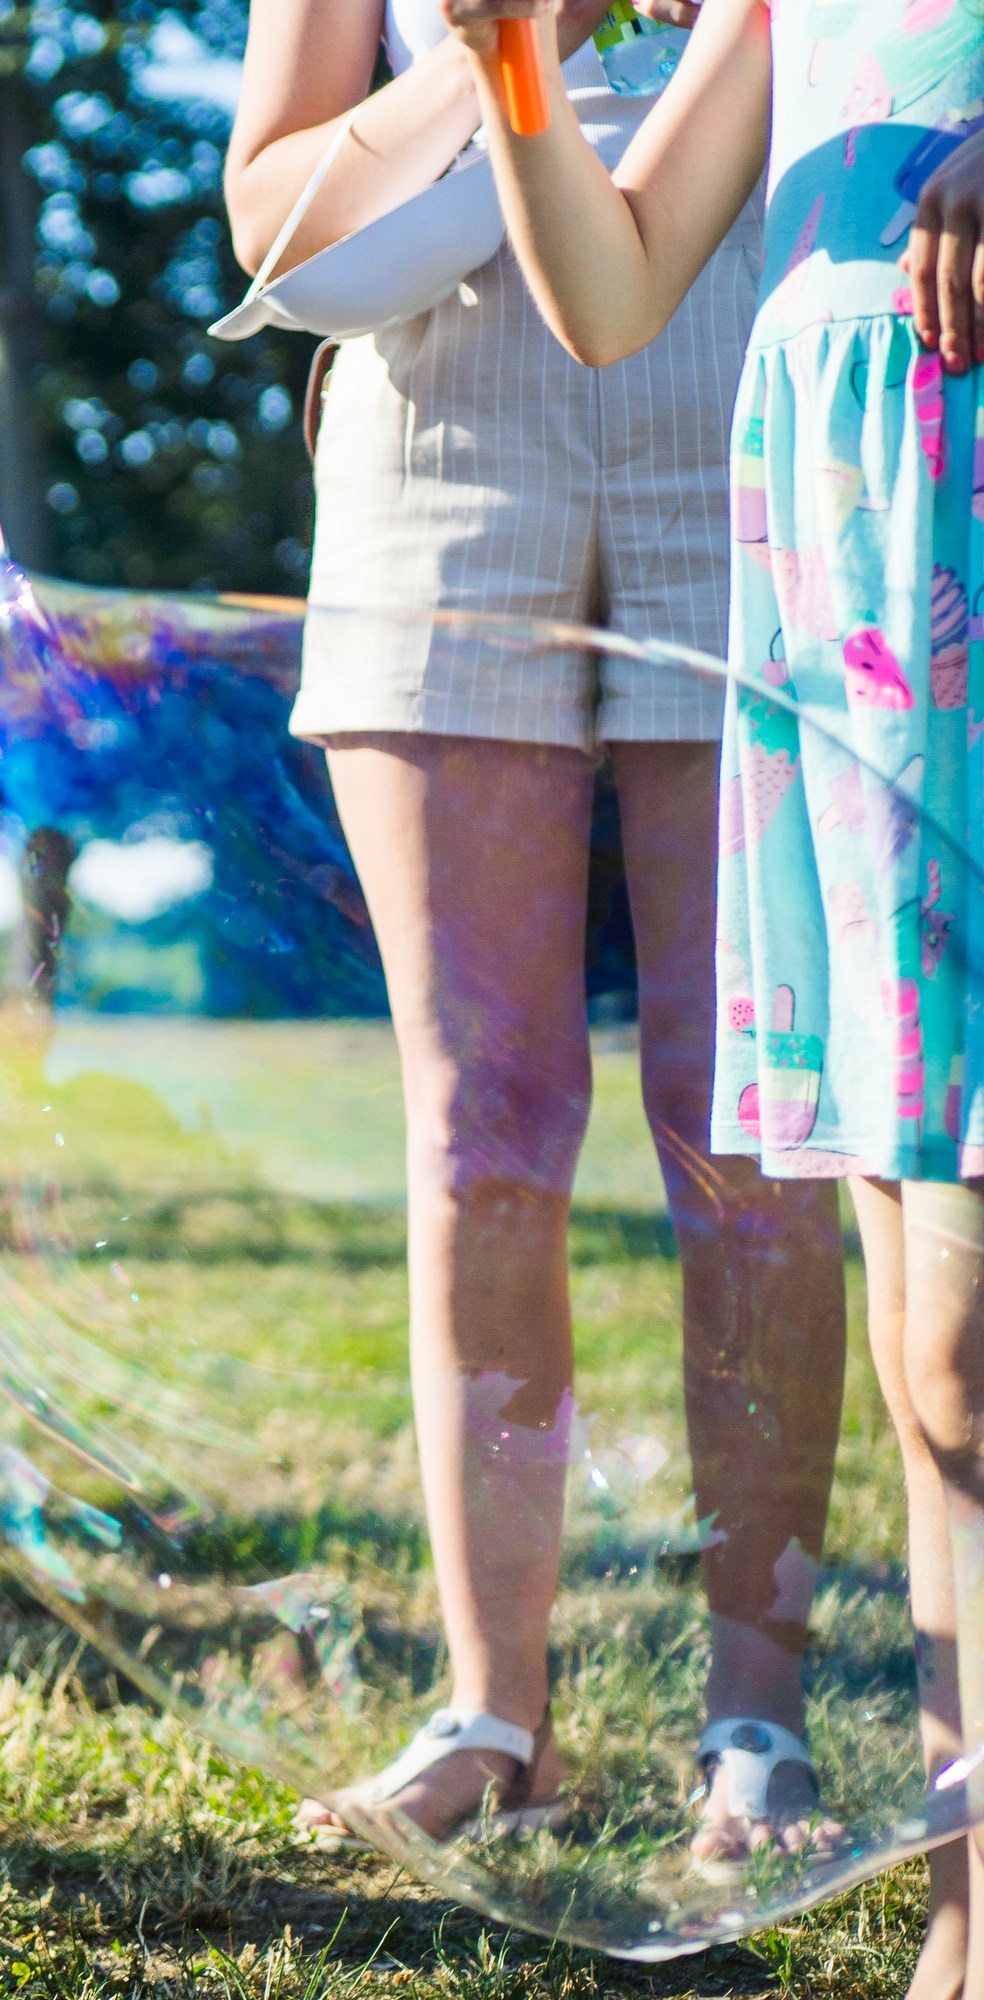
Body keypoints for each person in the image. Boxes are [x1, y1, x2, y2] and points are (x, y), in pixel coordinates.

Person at [225, 0, 850, 1865]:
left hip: (746, 435)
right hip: (436, 470)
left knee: (744, 1115)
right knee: (483, 1122)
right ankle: (495, 1713)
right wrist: (510, 38)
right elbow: (269, 220)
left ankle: (761, 1716)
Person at [435, 2, 984, 1985]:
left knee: (972, 1324)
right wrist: (507, 63)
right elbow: (610, 280)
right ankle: (967, 1904)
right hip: (852, 594)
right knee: (938, 1347)